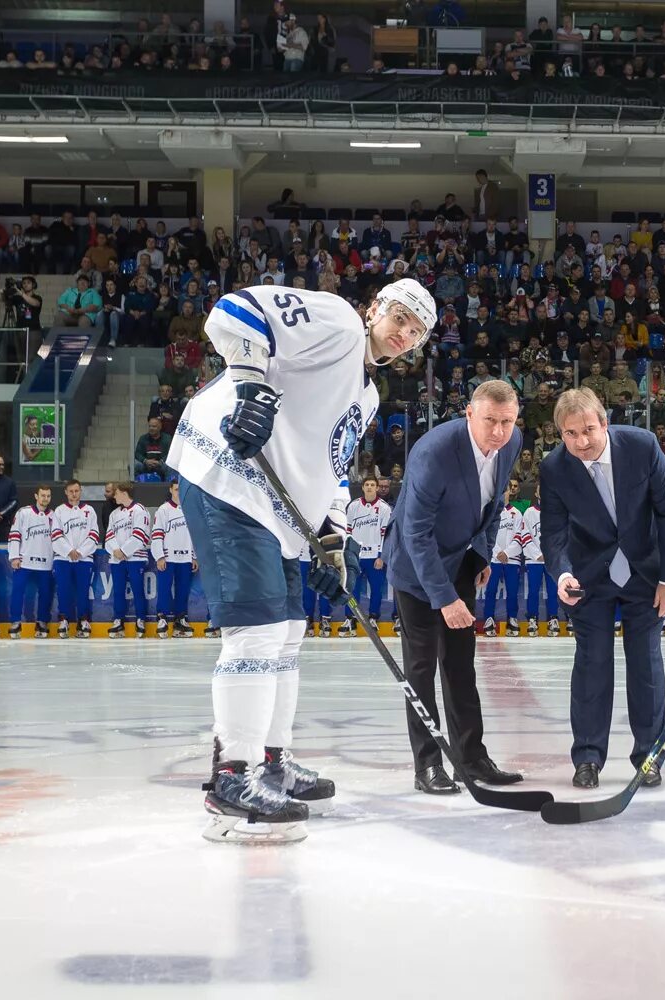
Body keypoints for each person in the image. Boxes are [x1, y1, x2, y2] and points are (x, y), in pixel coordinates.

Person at [168, 277, 432, 838]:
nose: (405, 334)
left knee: (288, 631)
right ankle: (231, 777)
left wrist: (332, 541)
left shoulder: (368, 393)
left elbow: (332, 468)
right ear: (373, 308)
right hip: (229, 481)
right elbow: (234, 311)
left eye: (417, 331)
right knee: (257, 632)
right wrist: (250, 389)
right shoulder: (336, 322)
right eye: (401, 317)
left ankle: (271, 761)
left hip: (281, 514)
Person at [383, 379, 526, 795]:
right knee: (422, 666)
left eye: (507, 421)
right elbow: (417, 532)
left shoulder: (511, 441)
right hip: (416, 566)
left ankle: (472, 756)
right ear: (469, 414)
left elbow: (494, 502)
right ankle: (427, 764)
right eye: (489, 421)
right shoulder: (434, 451)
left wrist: (481, 554)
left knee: (461, 664)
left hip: (461, 557)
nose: (498, 432)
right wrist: (444, 598)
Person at [541, 387, 665, 789]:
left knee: (646, 665)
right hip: (589, 578)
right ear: (560, 435)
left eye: (588, 429)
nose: (581, 442)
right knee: (592, 665)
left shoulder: (642, 446)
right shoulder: (554, 468)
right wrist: (563, 574)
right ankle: (587, 757)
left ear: (605, 423)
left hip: (647, 575)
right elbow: (552, 533)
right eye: (570, 434)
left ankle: (648, 756)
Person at [344, 477, 393, 635]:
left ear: (377, 488)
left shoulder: (384, 508)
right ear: (363, 488)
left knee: (376, 589)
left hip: (374, 557)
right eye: (367, 485)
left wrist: (381, 556)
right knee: (352, 589)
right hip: (356, 556)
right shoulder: (353, 506)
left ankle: (373, 617)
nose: (370, 487)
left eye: (373, 485)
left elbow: (386, 535)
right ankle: (350, 618)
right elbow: (348, 531)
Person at [51, 478, 99, 638]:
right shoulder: (58, 511)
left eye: (76, 491)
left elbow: (94, 534)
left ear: (81, 491)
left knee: (83, 591)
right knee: (63, 590)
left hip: (84, 559)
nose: (74, 494)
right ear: (66, 492)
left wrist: (81, 551)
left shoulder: (90, 511)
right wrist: (68, 550)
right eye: (71, 491)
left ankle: (83, 620)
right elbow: (56, 534)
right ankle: (64, 619)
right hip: (63, 559)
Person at [7, 484, 56, 638]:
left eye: (48, 496)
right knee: (18, 592)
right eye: (43, 495)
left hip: (46, 563)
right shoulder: (23, 513)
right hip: (24, 562)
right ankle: (15, 621)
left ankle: (42, 622)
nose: (45, 499)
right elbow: (14, 535)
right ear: (36, 496)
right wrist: (14, 556)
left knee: (45, 594)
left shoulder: (55, 516)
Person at [104, 482, 151, 638]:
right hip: (117, 559)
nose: (114, 496)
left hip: (135, 558)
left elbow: (140, 535)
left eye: (116, 493)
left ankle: (140, 620)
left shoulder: (140, 511)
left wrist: (124, 551)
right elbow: (109, 536)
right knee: (118, 591)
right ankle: (118, 621)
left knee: (138, 590)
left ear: (124, 493)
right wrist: (116, 551)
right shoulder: (114, 514)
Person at [152, 480, 196, 639]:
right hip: (168, 557)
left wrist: (194, 556)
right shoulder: (163, 510)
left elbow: (194, 535)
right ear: (171, 490)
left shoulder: (190, 509)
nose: (179, 492)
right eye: (176, 489)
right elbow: (157, 534)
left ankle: (180, 619)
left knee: (183, 590)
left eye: (181, 489)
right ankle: (162, 618)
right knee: (164, 588)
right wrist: (159, 556)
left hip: (185, 558)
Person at [515, 482, 561, 636]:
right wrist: (537, 554)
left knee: (553, 590)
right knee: (533, 591)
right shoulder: (529, 512)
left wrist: (550, 554)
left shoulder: (556, 512)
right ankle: (532, 619)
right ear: (536, 493)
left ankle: (553, 619)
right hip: (534, 560)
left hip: (551, 560)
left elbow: (559, 536)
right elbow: (525, 535)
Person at [480, 480, 524, 637]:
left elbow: (520, 535)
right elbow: (485, 535)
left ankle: (512, 619)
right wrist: (498, 552)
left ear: (508, 493)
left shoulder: (517, 513)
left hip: (511, 559)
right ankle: (489, 620)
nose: (503, 494)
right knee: (490, 591)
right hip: (493, 559)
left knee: (512, 591)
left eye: (505, 491)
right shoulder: (489, 513)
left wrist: (508, 552)